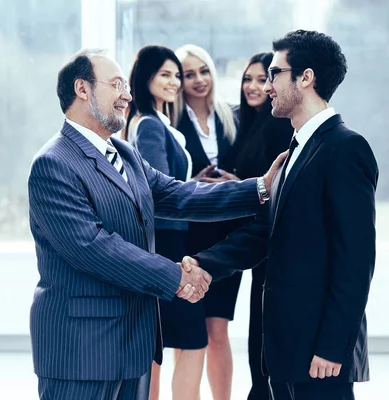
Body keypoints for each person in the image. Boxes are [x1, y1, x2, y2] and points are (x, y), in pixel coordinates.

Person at [28, 48, 285, 400]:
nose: (127, 94)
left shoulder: (126, 155)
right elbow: (95, 248)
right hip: (82, 351)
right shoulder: (53, 163)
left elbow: (181, 196)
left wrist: (260, 188)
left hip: (134, 345)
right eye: (117, 84)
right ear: (82, 89)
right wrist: (177, 277)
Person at [183, 30, 379, 400]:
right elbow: (265, 233)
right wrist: (206, 263)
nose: (267, 84)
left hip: (320, 355)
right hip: (285, 349)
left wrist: (334, 346)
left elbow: (356, 260)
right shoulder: (296, 150)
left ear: (305, 78)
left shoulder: (346, 148)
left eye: (274, 73)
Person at [123, 45, 213, 400]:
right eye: (165, 74)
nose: (175, 81)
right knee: (190, 339)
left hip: (171, 240)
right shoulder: (148, 125)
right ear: (146, 78)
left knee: (166, 342)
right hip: (166, 243)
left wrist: (195, 183)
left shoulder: (159, 122)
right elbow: (158, 192)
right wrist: (200, 193)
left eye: (177, 74)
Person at [203, 52, 293, 400]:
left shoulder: (279, 125)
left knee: (264, 331)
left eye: (263, 79)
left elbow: (276, 185)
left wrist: (240, 183)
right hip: (243, 237)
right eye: (248, 79)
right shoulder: (240, 122)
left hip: (264, 239)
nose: (255, 86)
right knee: (257, 332)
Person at [174, 44, 241, 400]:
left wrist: (235, 182)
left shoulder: (233, 117)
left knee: (218, 332)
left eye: (203, 71)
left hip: (227, 238)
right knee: (190, 334)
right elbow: (165, 179)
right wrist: (191, 184)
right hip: (189, 239)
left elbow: (250, 169)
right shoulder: (172, 123)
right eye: (189, 74)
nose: (198, 79)